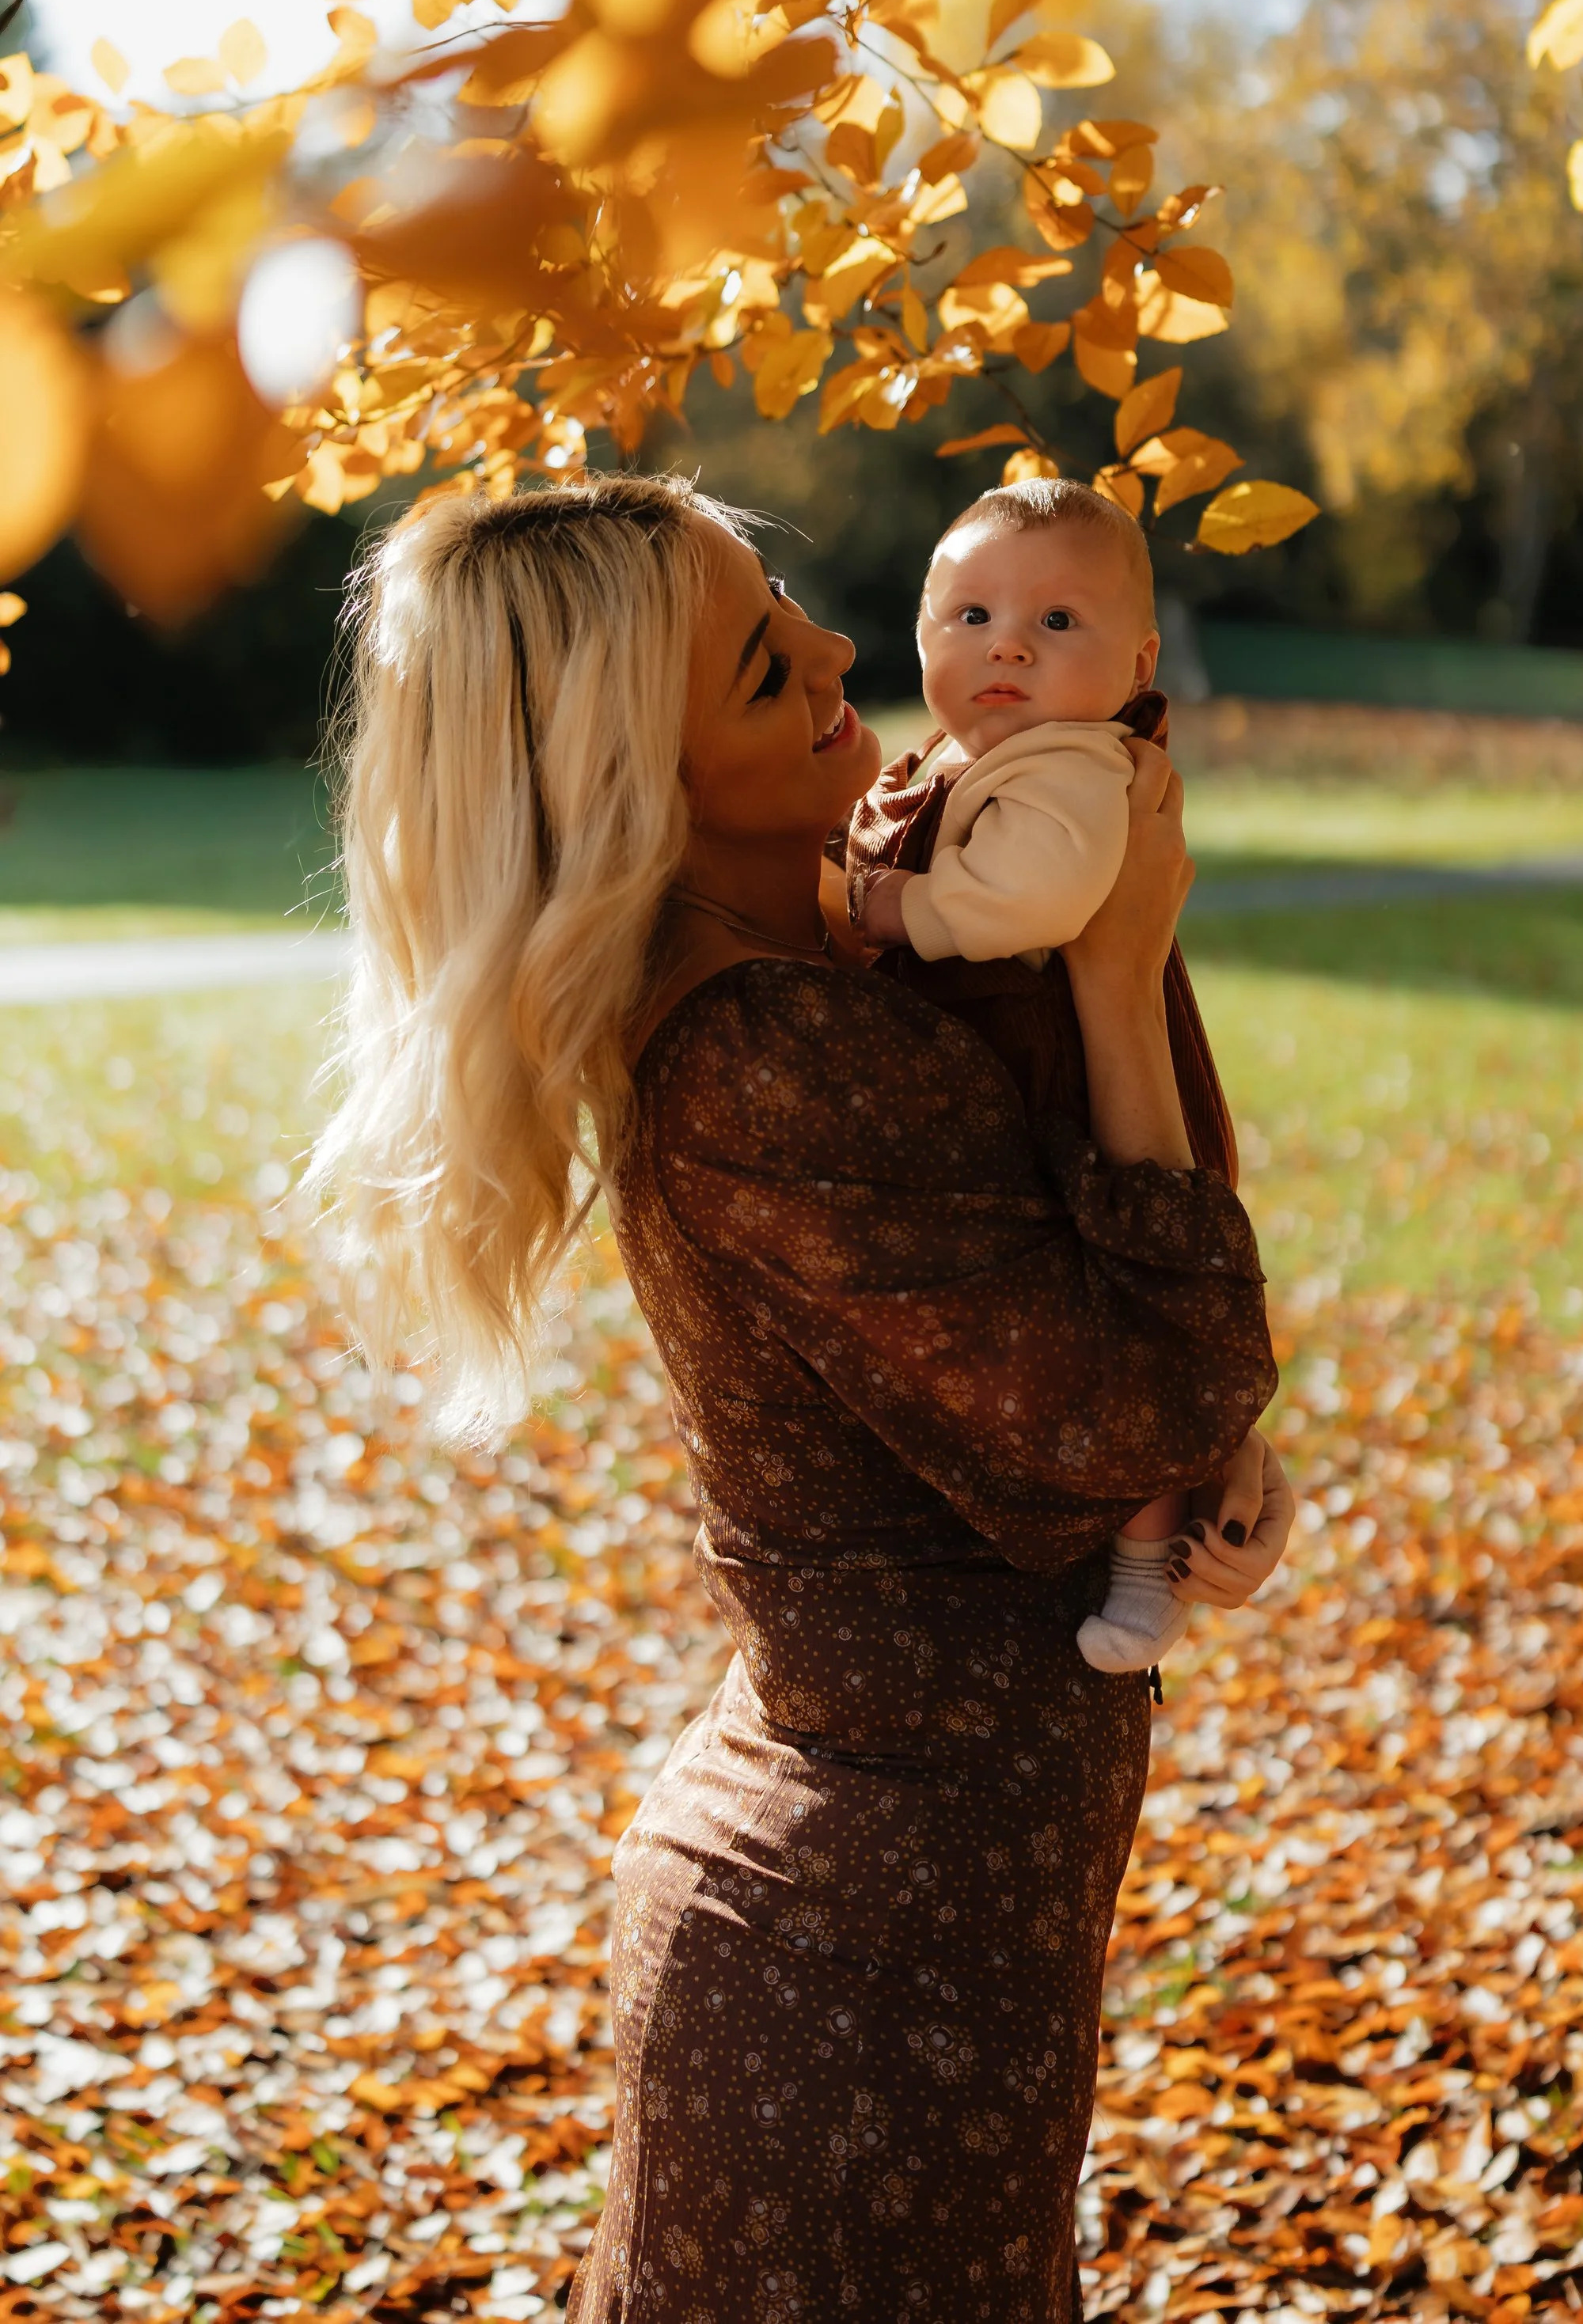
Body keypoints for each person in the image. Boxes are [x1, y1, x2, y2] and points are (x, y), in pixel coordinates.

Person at [312, 472, 1293, 2324]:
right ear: (642, 788)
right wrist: (1120, 969)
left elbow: (1095, 1364)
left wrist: (1208, 1456)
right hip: (858, 1978)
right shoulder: (769, 1056)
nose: (846, 650)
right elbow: (1140, 1392)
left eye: (785, 603)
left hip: (921, 1934)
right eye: (767, 670)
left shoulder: (842, 960)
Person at [845, 477, 1239, 1678]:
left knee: (1111, 1317)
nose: (1006, 641)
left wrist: (877, 903)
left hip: (1074, 1077)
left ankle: (1146, 1553)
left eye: (1057, 623)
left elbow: (1033, 900)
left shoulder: (1076, 763)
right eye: (969, 616)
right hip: (1022, 1074)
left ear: (1138, 660)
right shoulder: (944, 762)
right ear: (921, 639)